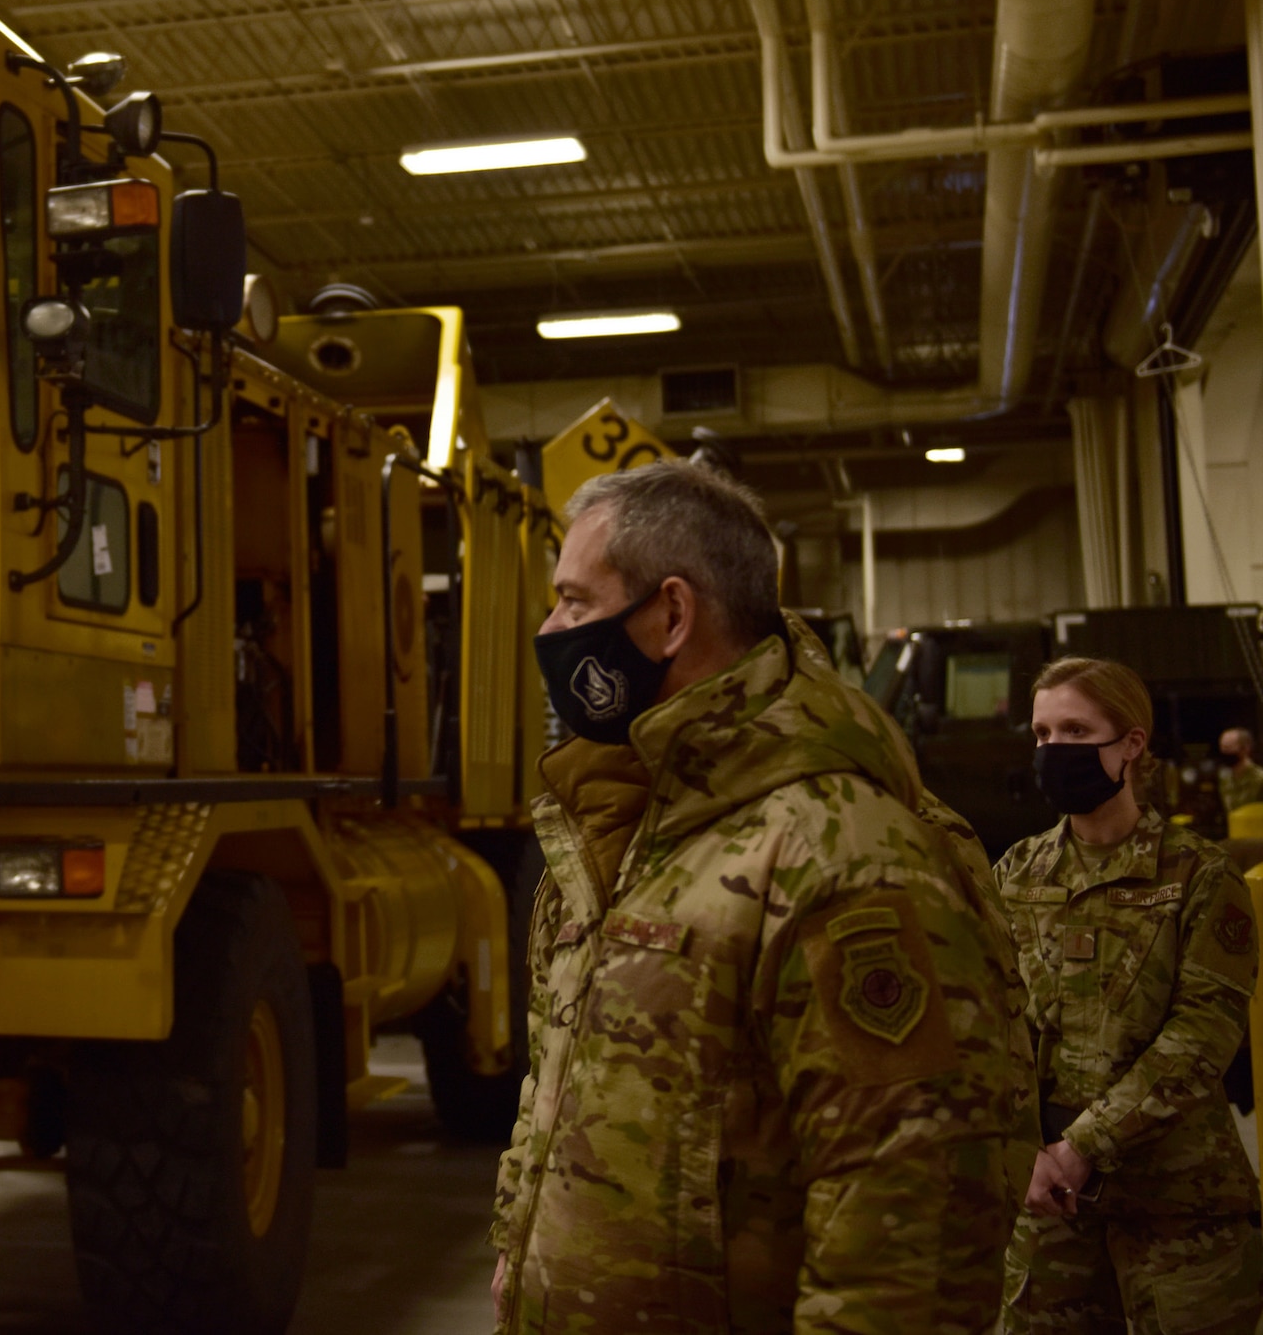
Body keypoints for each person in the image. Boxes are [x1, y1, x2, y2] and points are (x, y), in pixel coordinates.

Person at [490, 460, 1034, 1333]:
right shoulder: (614, 832)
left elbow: (912, 1204)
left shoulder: (840, 845)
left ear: (671, 614)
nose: (551, 628)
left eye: (575, 602)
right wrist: (523, 1245)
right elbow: (555, 1083)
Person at [997, 658, 1262, 1334]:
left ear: (1132, 744)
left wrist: (1084, 1143)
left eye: (1076, 729)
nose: (1055, 750)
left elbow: (1203, 1035)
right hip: (1052, 1206)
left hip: (1177, 1209)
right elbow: (986, 1023)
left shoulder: (1199, 878)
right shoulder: (1016, 873)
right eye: (1042, 733)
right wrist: (1019, 1147)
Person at [1218, 727, 1263, 817]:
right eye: (1222, 748)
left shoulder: (1260, 780)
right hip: (1235, 829)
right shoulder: (1224, 779)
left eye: (1229, 748)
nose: (1225, 752)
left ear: (1245, 749)